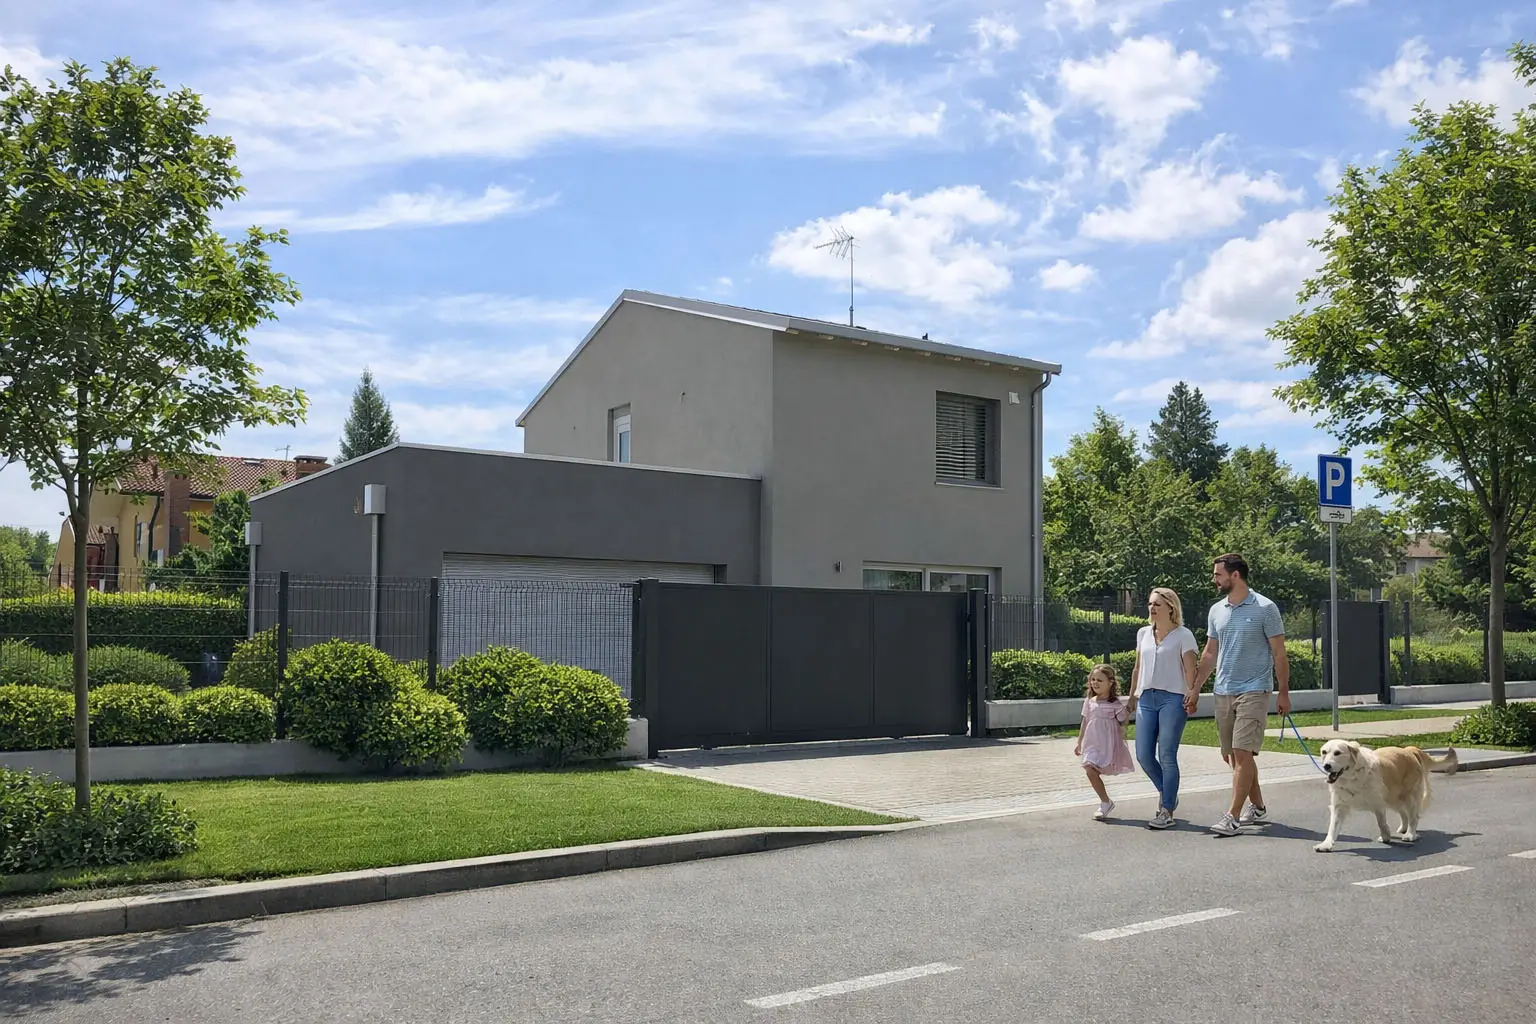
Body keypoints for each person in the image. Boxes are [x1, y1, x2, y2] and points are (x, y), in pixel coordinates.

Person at [1192, 553, 1290, 837]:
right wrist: (1195, 688)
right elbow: (1210, 653)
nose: (1214, 579)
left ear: (1235, 575)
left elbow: (1279, 652)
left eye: (1218, 574)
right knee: (1233, 757)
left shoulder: (1265, 608)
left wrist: (1283, 692)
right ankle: (1257, 806)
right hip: (1223, 690)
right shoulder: (1216, 610)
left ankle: (1232, 817)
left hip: (1255, 689)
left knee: (1242, 752)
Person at [1128, 587, 1200, 830]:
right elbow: (1137, 668)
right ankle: (1168, 791)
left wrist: (1192, 693)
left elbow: (1191, 669)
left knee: (1166, 755)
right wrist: (1131, 696)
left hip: (1173, 698)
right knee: (1143, 755)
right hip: (1146, 698)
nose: (1152, 608)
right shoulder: (1143, 634)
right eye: (1150, 604)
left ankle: (1166, 809)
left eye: (1157, 604)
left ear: (1171, 607)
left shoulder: (1183, 635)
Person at [1074, 663, 1135, 820]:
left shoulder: (1114, 704)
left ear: (1111, 682)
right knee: (1089, 769)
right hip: (1091, 743)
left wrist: (1128, 708)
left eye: (1099, 680)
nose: (1095, 683)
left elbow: (1122, 721)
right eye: (1093, 679)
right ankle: (1105, 802)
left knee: (1095, 769)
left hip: (1106, 745)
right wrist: (1079, 742)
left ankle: (1105, 803)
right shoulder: (1089, 701)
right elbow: (1085, 721)